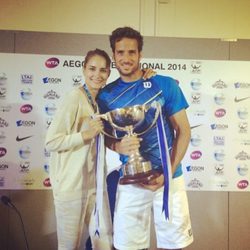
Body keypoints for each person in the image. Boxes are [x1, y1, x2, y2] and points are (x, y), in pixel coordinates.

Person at [97, 27, 194, 250]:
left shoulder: (164, 85)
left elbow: (184, 131)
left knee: (174, 246)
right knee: (128, 246)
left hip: (169, 179)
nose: (126, 58)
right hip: (131, 180)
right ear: (113, 56)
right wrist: (117, 145)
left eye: (132, 52)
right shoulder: (105, 95)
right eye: (120, 53)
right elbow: (102, 135)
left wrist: (167, 174)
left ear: (140, 54)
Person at [45, 48, 113, 250]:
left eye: (103, 70)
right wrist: (85, 135)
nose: (97, 75)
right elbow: (51, 142)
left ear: (108, 73)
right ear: (83, 69)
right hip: (71, 188)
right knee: (69, 246)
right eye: (92, 68)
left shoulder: (98, 102)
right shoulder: (74, 97)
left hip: (94, 187)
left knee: (105, 243)